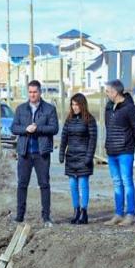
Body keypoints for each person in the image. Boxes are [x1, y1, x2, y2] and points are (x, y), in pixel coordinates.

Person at [11, 80, 59, 226]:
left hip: (41, 153)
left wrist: (37, 128)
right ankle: (20, 216)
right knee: (22, 184)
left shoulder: (49, 109)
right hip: (24, 153)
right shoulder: (21, 109)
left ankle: (46, 217)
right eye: (30, 92)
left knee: (44, 184)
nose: (32, 95)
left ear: (40, 92)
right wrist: (26, 129)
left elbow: (54, 128)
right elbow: (13, 128)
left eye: (35, 92)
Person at [103, 79, 135, 226]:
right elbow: (108, 128)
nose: (106, 93)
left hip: (125, 152)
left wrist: (130, 144)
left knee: (127, 182)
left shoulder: (130, 108)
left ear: (115, 92)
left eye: (107, 91)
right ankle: (118, 213)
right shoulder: (108, 107)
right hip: (111, 151)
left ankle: (130, 214)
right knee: (116, 182)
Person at [59, 93, 97, 225]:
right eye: (72, 104)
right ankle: (75, 211)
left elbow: (93, 140)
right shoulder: (68, 120)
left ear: (82, 105)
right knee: (72, 185)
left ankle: (84, 212)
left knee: (83, 185)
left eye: (77, 104)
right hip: (71, 157)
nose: (74, 107)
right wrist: (61, 153)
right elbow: (64, 137)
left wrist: (88, 157)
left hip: (83, 157)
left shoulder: (90, 120)